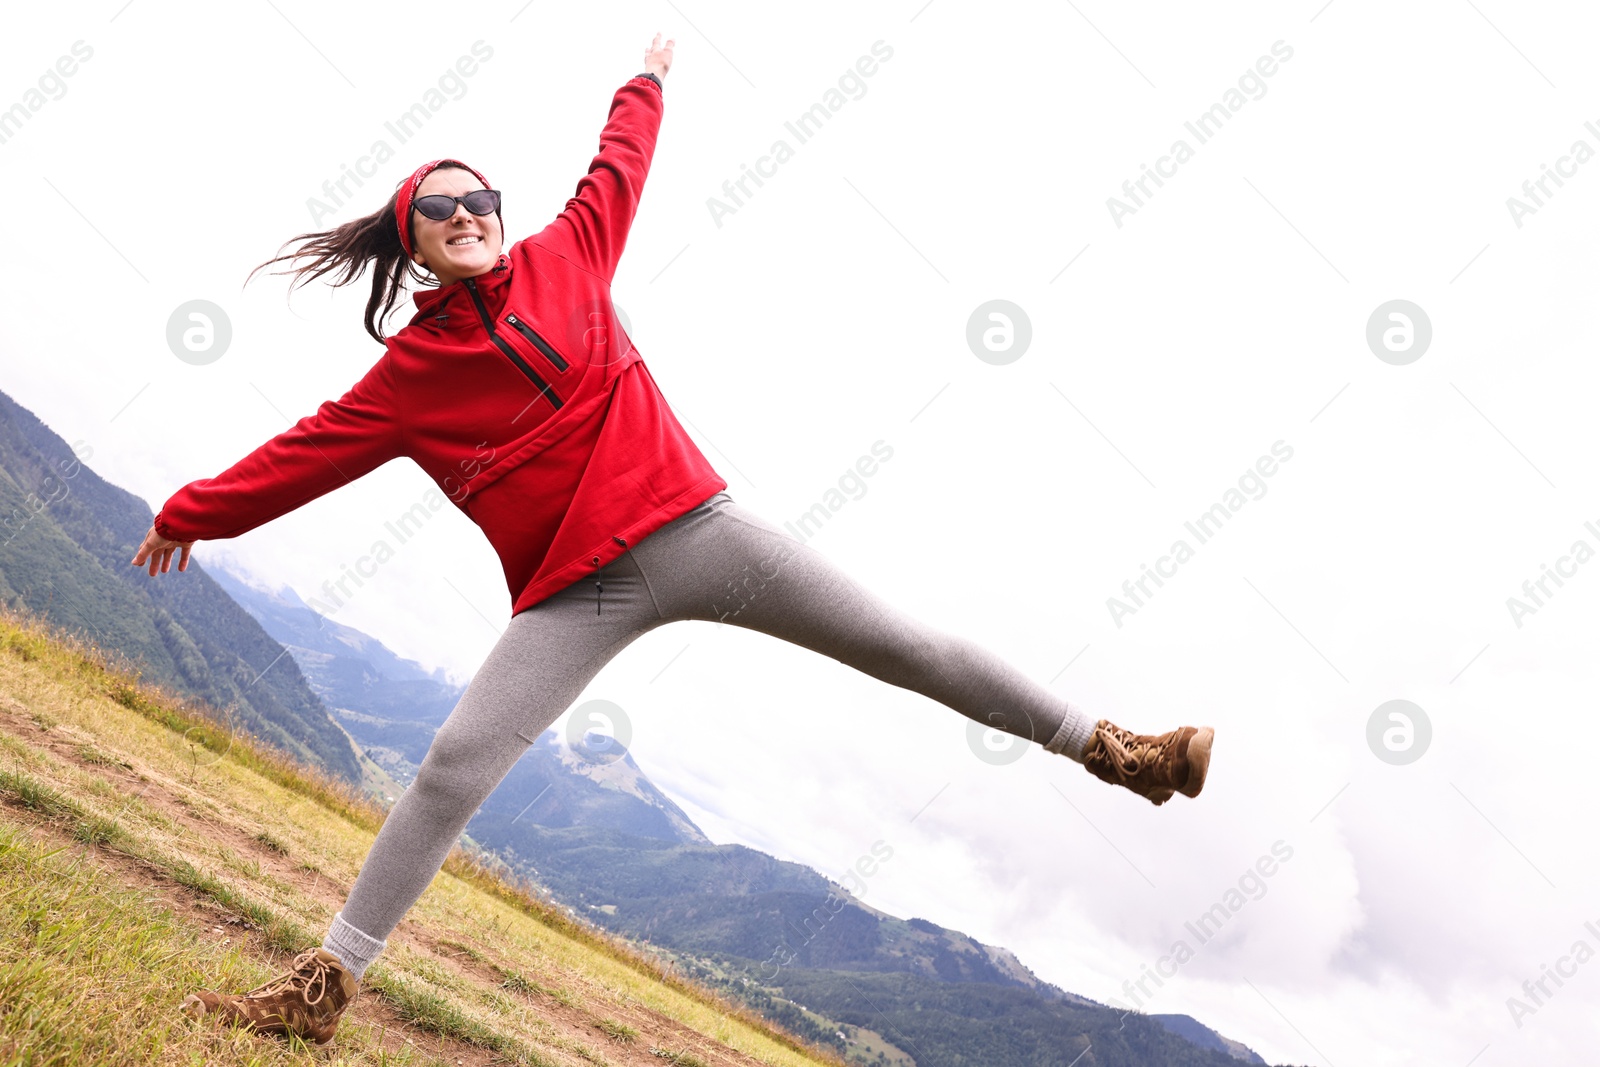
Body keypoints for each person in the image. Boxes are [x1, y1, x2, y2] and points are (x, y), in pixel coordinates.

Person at [136, 33, 1214, 1048]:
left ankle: (1120, 751)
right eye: (438, 206)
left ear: (499, 214)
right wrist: (191, 511)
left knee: (910, 645)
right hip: (576, 592)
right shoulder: (408, 379)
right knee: (452, 764)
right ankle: (324, 985)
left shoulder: (569, 253)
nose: (464, 212)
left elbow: (618, 169)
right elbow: (304, 451)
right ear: (410, 236)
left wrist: (642, 84)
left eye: (477, 198)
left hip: (703, 530)